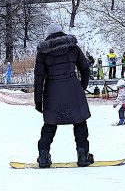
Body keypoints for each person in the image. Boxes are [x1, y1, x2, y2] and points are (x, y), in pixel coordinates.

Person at [34, 22, 93, 167]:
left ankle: (43, 157)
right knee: (80, 123)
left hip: (52, 90)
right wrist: (82, 87)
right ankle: (83, 155)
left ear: (48, 36)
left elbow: (38, 78)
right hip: (73, 88)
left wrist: (38, 100)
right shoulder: (73, 47)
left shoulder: (43, 52)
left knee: (49, 125)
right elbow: (85, 69)